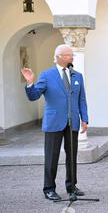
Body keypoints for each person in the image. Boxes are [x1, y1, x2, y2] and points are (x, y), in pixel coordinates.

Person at [21, 44, 88, 201]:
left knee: (72, 156)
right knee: (52, 157)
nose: (72, 57)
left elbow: (82, 99)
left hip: (73, 122)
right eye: (69, 55)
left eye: (72, 55)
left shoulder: (77, 76)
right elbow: (34, 96)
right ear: (60, 57)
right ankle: (49, 188)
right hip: (53, 122)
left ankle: (71, 186)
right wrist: (30, 82)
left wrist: (84, 118)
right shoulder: (47, 75)